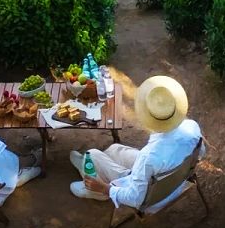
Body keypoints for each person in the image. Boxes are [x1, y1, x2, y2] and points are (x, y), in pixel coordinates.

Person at [70, 75, 204, 210]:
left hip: (153, 199)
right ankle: (90, 168)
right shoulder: (191, 127)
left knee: (92, 154)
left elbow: (135, 198)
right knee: (114, 149)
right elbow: (201, 152)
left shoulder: (148, 156)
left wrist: (106, 189)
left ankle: (94, 188)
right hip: (175, 183)